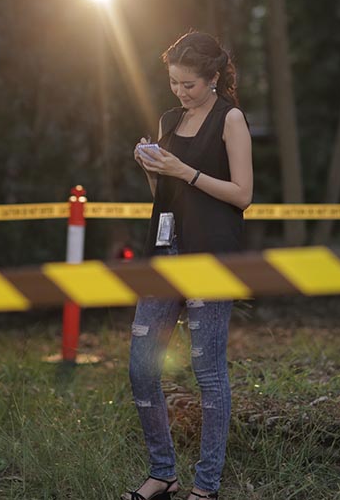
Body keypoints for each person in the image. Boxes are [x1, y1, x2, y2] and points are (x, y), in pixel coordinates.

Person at [123, 31, 253, 500]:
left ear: (213, 77)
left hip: (211, 255)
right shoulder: (169, 119)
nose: (180, 92)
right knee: (141, 366)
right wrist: (153, 168)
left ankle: (207, 484)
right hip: (164, 251)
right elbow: (166, 195)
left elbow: (243, 194)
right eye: (174, 83)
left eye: (189, 84)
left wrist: (185, 171)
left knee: (208, 373)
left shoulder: (230, 118)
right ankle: (163, 472)